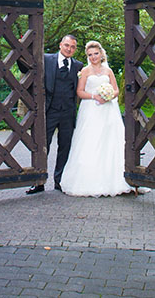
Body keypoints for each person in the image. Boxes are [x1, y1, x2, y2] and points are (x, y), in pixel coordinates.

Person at [59, 40, 133, 197]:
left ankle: (116, 179)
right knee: (91, 141)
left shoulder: (108, 71)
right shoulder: (85, 71)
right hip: (91, 109)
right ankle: (89, 180)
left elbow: (116, 90)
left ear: (101, 54)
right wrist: (95, 96)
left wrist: (108, 96)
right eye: (90, 55)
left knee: (111, 140)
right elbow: (80, 92)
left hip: (108, 110)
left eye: (95, 54)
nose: (93, 57)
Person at [26, 34, 83, 194]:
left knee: (65, 147)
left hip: (68, 113)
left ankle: (60, 181)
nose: (69, 49)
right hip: (49, 111)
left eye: (72, 47)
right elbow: (25, 67)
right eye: (67, 45)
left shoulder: (79, 66)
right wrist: (21, 49)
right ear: (60, 45)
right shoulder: (46, 59)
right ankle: (39, 182)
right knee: (43, 146)